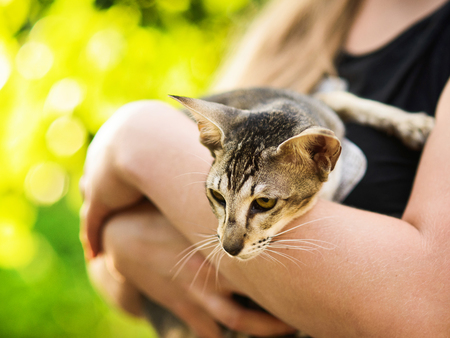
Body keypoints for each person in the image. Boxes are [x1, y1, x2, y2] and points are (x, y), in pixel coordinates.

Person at [81, 0, 450, 336]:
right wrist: (123, 243)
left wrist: (136, 136)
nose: (227, 243)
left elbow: (431, 309)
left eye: (263, 204)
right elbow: (109, 280)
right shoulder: (293, 19)